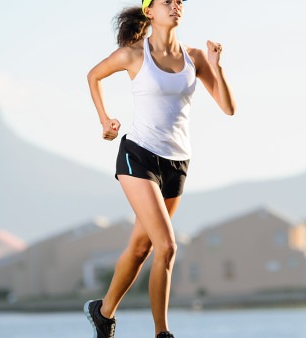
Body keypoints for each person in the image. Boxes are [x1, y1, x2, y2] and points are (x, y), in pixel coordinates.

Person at [83, 0, 236, 337]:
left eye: (179, 1)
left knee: (142, 247)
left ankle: (103, 312)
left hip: (177, 163)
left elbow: (227, 107)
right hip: (138, 155)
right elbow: (94, 75)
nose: (176, 5)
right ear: (150, 11)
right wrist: (104, 119)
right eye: (167, 1)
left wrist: (216, 66)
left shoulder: (194, 57)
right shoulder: (134, 54)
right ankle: (161, 332)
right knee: (167, 246)